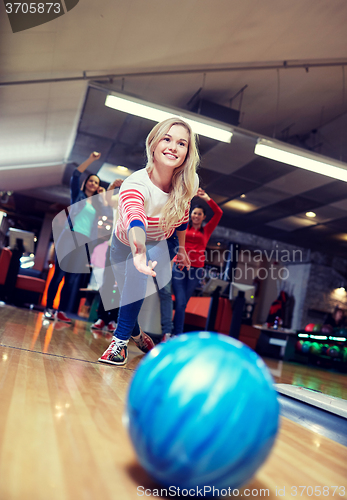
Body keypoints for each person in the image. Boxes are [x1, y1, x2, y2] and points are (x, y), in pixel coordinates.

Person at [98, 117, 199, 365]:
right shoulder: (135, 183)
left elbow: (183, 217)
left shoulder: (188, 183)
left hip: (161, 242)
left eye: (181, 143)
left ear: (187, 153)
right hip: (125, 243)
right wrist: (139, 249)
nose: (173, 147)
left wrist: (183, 249)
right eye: (167, 139)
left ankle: (119, 344)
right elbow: (135, 219)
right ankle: (135, 332)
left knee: (135, 278)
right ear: (153, 144)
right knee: (124, 298)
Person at [44, 152, 111, 323]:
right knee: (59, 275)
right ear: (86, 183)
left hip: (84, 243)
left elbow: (107, 212)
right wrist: (91, 159)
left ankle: (61, 311)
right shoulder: (78, 196)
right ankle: (49, 308)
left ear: (97, 187)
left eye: (96, 182)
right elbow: (75, 175)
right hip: (69, 237)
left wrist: (103, 197)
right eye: (91, 180)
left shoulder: (97, 204)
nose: (93, 183)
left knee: (71, 279)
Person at [171, 188, 223, 336]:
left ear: (203, 217)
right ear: (191, 215)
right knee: (180, 302)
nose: (196, 216)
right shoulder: (183, 227)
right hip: (180, 266)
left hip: (196, 270)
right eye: (194, 213)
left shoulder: (206, 231)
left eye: (199, 214)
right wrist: (188, 197)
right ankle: (176, 333)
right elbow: (179, 208)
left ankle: (175, 333)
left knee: (183, 304)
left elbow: (219, 213)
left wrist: (207, 198)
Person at [91, 178, 123, 333]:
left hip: (129, 250)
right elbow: (108, 200)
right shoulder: (121, 199)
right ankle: (102, 318)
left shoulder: (140, 204)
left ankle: (113, 320)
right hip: (113, 246)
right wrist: (112, 186)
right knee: (107, 283)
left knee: (121, 287)